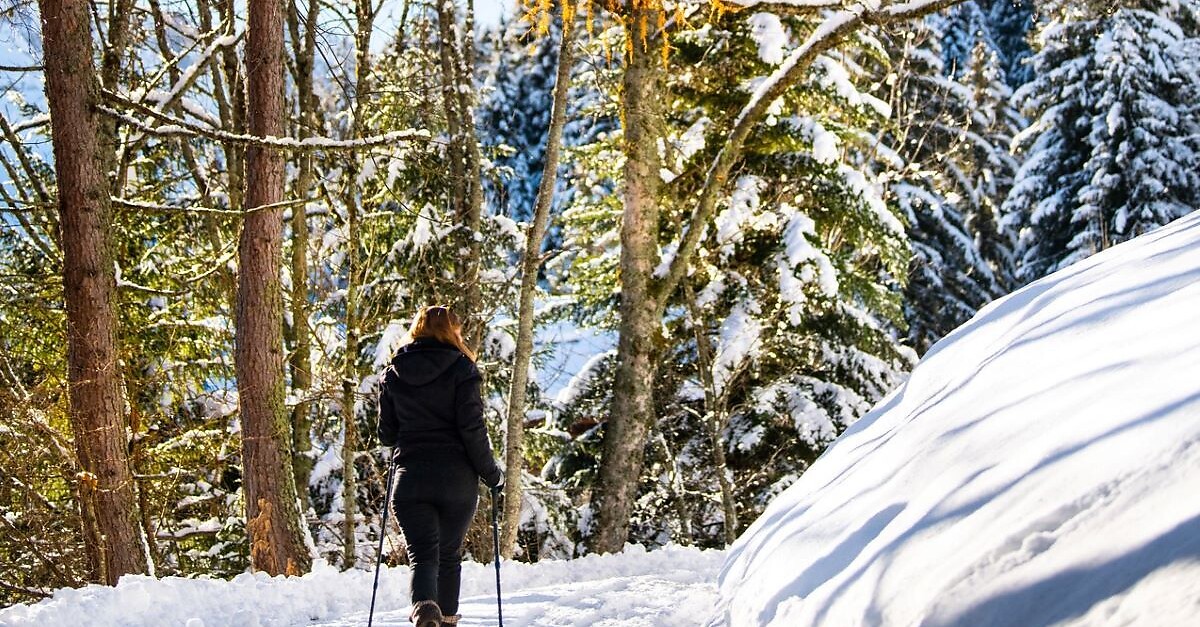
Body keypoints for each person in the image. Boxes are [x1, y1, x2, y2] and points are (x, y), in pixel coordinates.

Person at [377, 305, 503, 627]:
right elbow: (472, 429)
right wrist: (492, 475)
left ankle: (423, 608)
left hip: (411, 477)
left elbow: (387, 435)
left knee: (422, 553)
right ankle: (445, 621)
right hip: (456, 479)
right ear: (453, 332)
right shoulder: (463, 369)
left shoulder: (394, 370)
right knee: (448, 555)